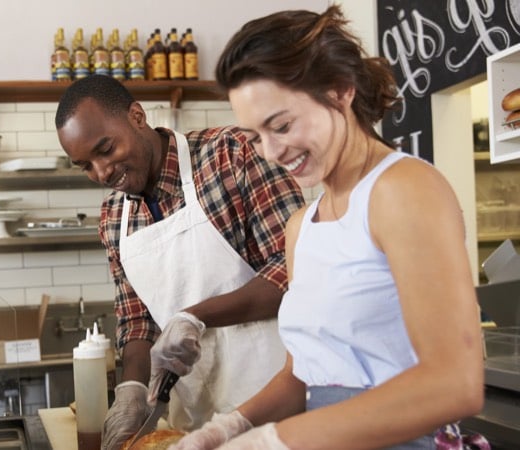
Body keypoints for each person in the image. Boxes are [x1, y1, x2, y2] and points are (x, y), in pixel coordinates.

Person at [173, 5, 487, 450]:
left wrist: (274, 441)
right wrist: (229, 427)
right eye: (256, 137)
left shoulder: (402, 189)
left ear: (340, 90)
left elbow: (454, 384)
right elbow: (303, 374)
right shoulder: (302, 227)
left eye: (281, 126)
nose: (271, 152)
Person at [55, 74, 304, 450]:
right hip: (192, 427)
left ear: (137, 116)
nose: (102, 172)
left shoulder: (231, 155)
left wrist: (194, 317)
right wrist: (132, 388)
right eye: (85, 165)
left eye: (106, 149)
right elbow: (136, 321)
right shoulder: (113, 216)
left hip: (277, 406)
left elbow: (297, 271)